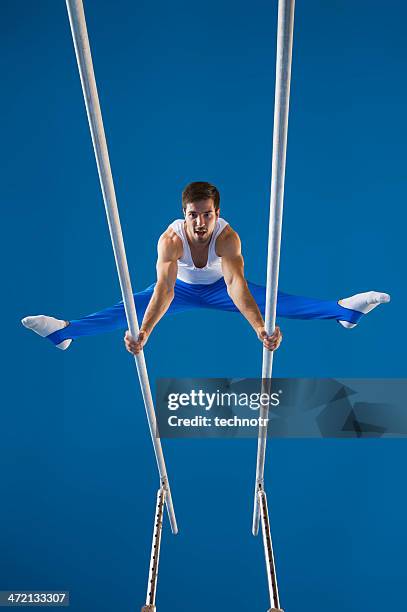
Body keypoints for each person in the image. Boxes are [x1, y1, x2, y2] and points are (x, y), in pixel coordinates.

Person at [22, 182, 390, 355]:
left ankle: (344, 312)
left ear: (217, 213)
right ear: (185, 214)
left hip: (221, 288)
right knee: (130, 311)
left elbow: (235, 285)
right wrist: (146, 331)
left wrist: (261, 328)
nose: (200, 222)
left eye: (207, 214)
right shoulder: (171, 240)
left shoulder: (228, 238)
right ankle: (66, 332)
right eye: (193, 215)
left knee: (278, 304)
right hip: (178, 288)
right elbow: (164, 290)